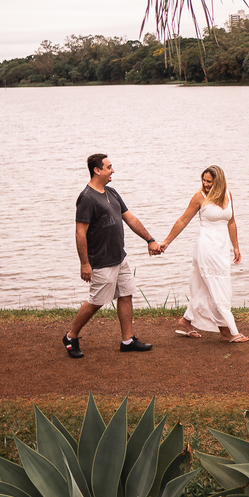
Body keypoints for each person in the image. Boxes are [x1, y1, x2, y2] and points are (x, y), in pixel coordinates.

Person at [63, 153, 161, 358]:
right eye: (109, 167)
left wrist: (150, 239)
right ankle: (71, 337)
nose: (112, 170)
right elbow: (80, 233)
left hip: (120, 257)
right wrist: (84, 264)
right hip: (101, 261)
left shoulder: (112, 192)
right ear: (97, 170)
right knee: (96, 301)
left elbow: (130, 218)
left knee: (126, 295)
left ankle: (127, 340)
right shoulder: (86, 198)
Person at [160, 165, 248, 343]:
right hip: (206, 247)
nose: (205, 184)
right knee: (217, 287)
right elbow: (183, 219)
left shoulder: (228, 195)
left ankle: (186, 321)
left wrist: (236, 247)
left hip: (222, 248)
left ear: (219, 182)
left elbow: (231, 221)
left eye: (209, 181)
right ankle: (227, 332)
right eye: (204, 180)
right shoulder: (199, 197)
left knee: (205, 287)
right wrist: (167, 241)